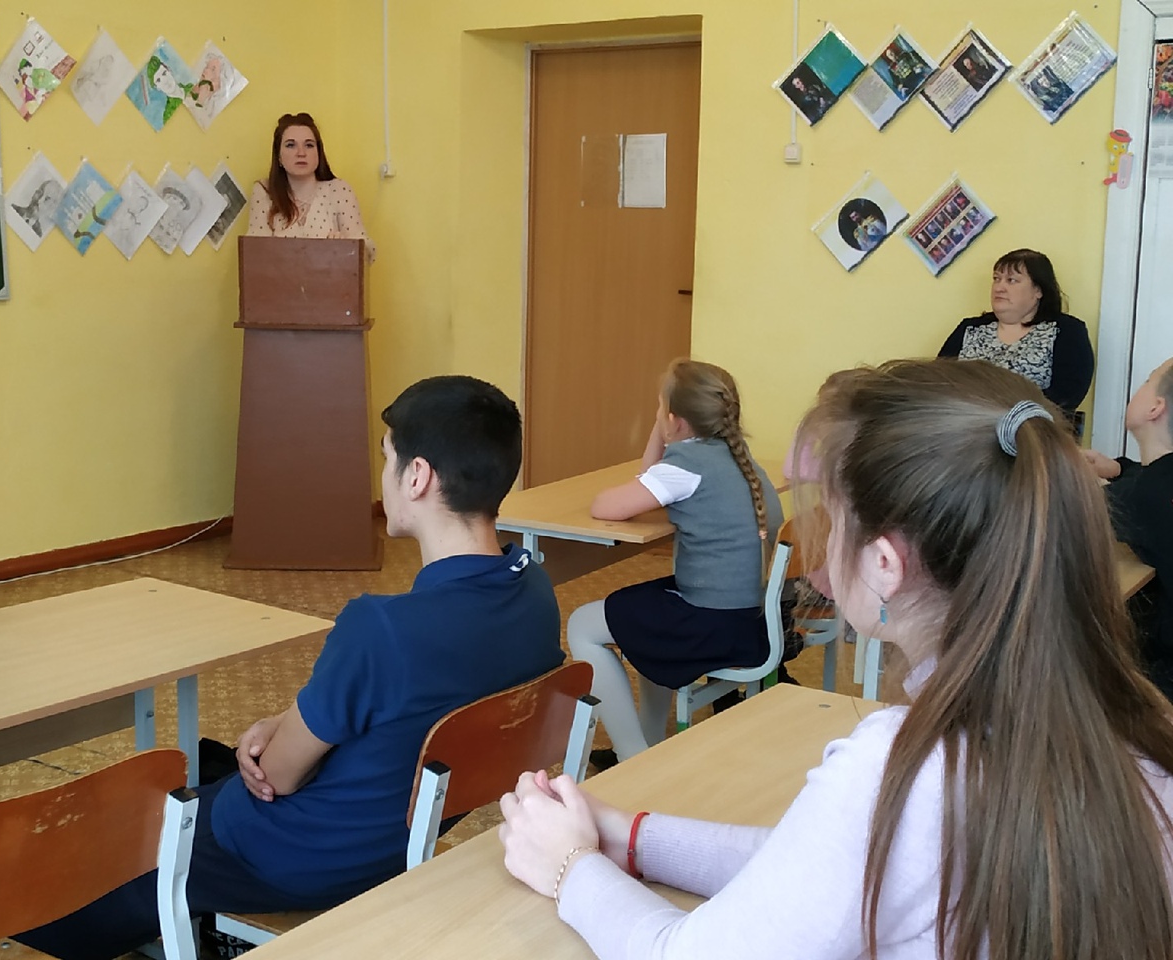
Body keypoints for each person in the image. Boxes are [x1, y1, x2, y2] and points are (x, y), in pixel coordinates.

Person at [498, 358, 1173, 960]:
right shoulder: (1136, 717)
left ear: (884, 564)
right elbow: (815, 871)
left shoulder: (905, 769)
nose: (823, 541)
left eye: (835, 517)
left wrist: (570, 867)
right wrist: (631, 836)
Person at [16, 376, 564, 959]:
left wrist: (278, 739)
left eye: (387, 458)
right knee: (204, 767)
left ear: (418, 476)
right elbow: (391, 704)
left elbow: (276, 777)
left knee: (71, 872)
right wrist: (287, 720)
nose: (383, 475)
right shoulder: (536, 592)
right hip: (400, 840)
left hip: (298, 855)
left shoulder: (381, 627)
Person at [566, 359, 781, 768]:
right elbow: (649, 482)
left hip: (713, 624)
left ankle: (633, 756)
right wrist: (666, 424)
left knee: (581, 625)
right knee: (641, 611)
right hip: (749, 619)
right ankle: (649, 739)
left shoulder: (686, 466)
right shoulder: (740, 458)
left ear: (674, 419)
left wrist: (659, 429)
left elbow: (605, 506)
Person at [1083, 356, 1173, 698]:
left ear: (1155, 408)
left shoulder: (1143, 497)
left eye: (1148, 380)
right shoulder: (1153, 486)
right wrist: (1119, 469)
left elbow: (1072, 509)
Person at [938, 248, 1094, 413]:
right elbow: (937, 381)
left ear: (1038, 290)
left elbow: (1066, 398)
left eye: (1011, 280)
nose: (999, 287)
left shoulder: (1066, 331)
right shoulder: (970, 328)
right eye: (997, 279)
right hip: (959, 422)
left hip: (1030, 426)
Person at [246, 112, 376, 259]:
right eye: (291, 145)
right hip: (278, 274)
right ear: (279, 157)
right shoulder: (264, 191)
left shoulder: (339, 190)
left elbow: (366, 250)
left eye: (309, 145)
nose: (301, 153)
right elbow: (254, 252)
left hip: (331, 274)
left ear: (318, 153)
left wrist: (344, 247)